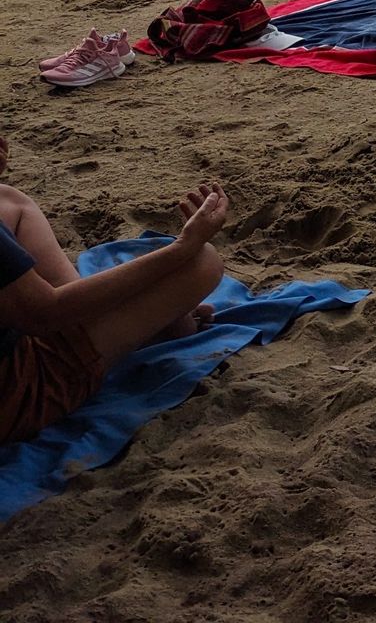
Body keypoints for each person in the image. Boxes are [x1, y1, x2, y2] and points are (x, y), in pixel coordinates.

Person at [1, 179, 227, 445]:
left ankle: (106, 317)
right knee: (203, 262)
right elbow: (44, 315)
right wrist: (184, 246)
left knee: (10, 201)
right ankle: (112, 331)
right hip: (17, 389)